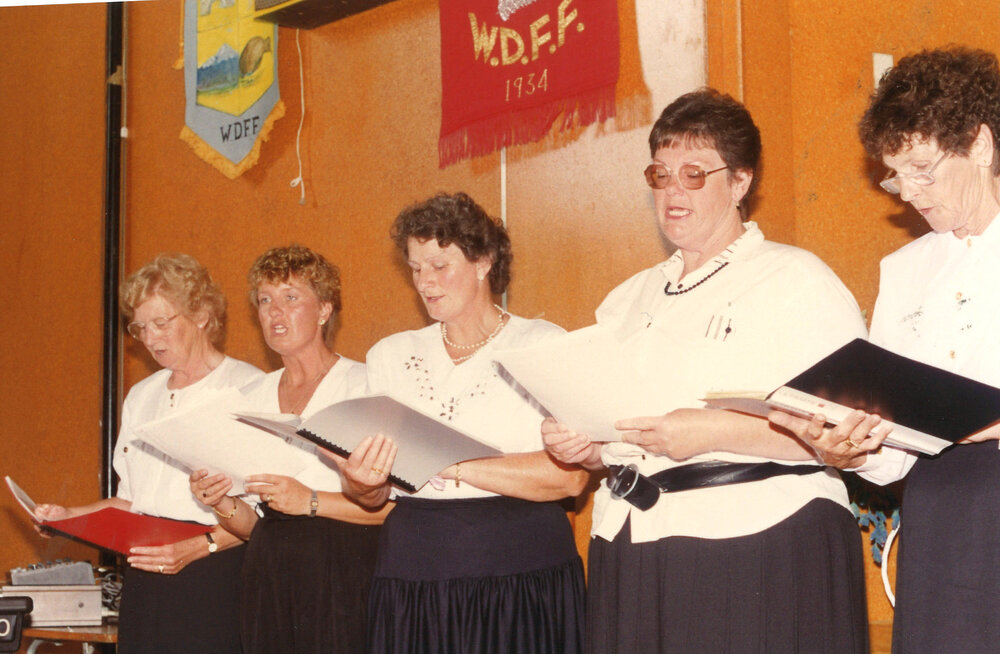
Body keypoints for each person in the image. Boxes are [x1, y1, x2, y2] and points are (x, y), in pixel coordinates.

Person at [541, 89, 871, 653]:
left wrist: (711, 431)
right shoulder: (625, 300)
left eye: (694, 174)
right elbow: (619, 430)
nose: (672, 190)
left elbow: (855, 433)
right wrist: (588, 448)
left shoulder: (794, 279)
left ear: (740, 182)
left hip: (758, 542)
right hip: (633, 545)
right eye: (660, 173)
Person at [770, 47, 1000, 654]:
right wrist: (850, 451)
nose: (908, 193)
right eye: (897, 174)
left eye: (924, 169)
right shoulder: (904, 269)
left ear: (980, 144)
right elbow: (895, 455)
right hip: (944, 517)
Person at [337, 192, 588, 654]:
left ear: (484, 261)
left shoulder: (540, 343)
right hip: (414, 574)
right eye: (415, 268)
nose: (425, 282)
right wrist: (360, 481)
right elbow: (372, 496)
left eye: (440, 265)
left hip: (519, 574)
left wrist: (448, 462)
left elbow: (569, 478)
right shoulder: (389, 355)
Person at [34, 253, 263, 654]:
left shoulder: (249, 388)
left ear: (202, 314)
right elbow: (131, 501)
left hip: (214, 576)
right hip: (144, 579)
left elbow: (266, 516)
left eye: (161, 323)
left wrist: (195, 548)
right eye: (140, 327)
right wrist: (69, 518)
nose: (150, 338)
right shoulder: (142, 396)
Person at [189, 244, 389, 654]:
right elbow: (256, 528)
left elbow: (393, 510)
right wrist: (222, 502)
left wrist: (310, 501)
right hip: (269, 575)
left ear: (324, 310)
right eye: (265, 301)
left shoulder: (365, 386)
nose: (274, 312)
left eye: (290, 298)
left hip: (347, 571)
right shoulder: (249, 397)